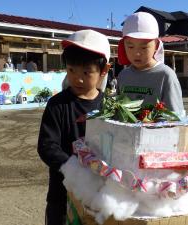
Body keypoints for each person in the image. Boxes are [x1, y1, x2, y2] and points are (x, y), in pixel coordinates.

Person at [37, 29, 111, 225]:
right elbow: (47, 146)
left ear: (104, 71)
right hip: (62, 193)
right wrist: (73, 168)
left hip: (99, 195)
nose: (77, 78)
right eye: (71, 70)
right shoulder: (57, 105)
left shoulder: (111, 107)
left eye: (86, 72)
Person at [117, 12, 184, 113]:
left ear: (156, 45)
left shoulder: (165, 75)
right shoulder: (123, 75)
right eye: (130, 47)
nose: (137, 53)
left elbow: (175, 117)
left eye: (144, 47)